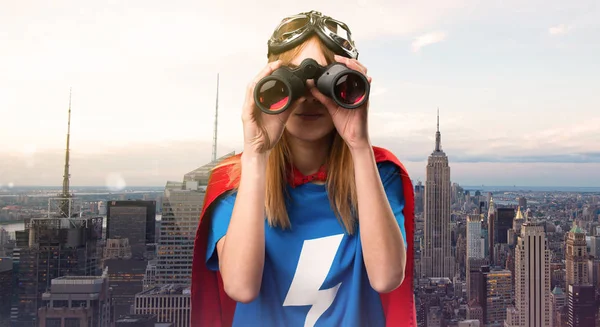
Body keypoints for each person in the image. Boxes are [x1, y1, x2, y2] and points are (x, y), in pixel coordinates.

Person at [191, 10, 416, 327]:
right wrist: (256, 153)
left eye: (326, 79)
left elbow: (387, 277)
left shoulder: (379, 175)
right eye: (293, 80)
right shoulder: (233, 182)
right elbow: (240, 287)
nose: (310, 98)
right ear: (267, 84)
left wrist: (359, 144)